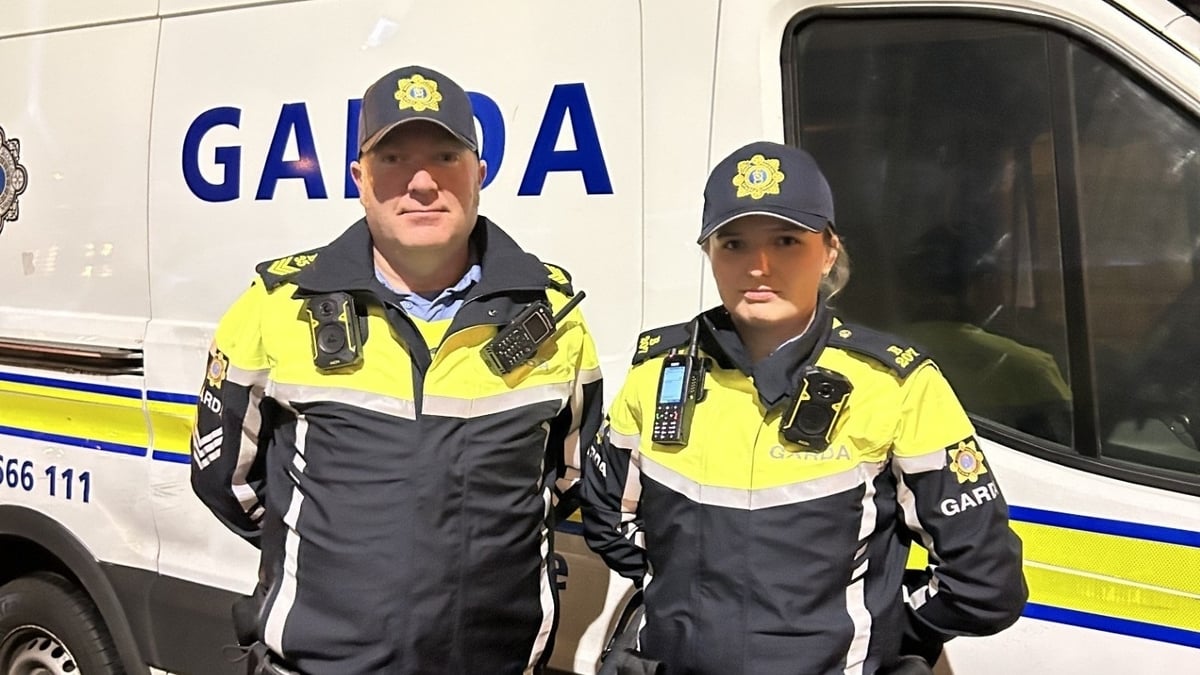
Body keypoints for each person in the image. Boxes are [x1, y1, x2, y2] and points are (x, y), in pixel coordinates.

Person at [190, 64, 603, 675]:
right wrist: (337, 567)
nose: (421, 182)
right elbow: (227, 481)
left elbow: (567, 482)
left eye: (445, 156)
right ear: (359, 178)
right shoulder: (275, 307)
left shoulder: (553, 317)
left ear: (479, 174)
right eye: (392, 159)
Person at [581, 141, 1027, 675]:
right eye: (734, 243)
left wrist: (879, 629)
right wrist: (688, 604)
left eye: (787, 240)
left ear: (829, 251)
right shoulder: (658, 374)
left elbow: (985, 584)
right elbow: (609, 521)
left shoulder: (894, 385)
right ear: (709, 254)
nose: (759, 266)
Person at [897, 223, 1072, 444]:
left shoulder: (873, 360)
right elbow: (1063, 450)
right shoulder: (1033, 367)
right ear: (983, 285)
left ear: (905, 289)